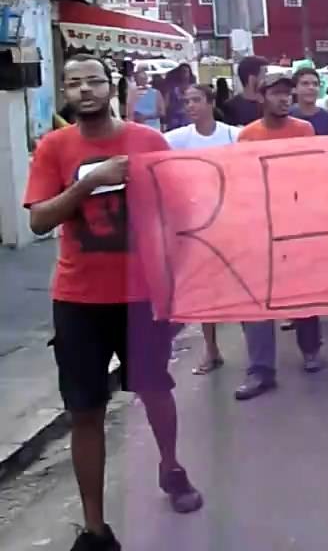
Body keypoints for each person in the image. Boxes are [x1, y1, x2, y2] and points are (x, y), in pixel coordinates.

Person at [25, 54, 203, 551]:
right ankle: (96, 528)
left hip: (140, 297)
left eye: (94, 81)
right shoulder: (54, 147)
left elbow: (181, 213)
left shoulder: (147, 142)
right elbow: (39, 221)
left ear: (112, 86)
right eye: (74, 83)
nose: (85, 90)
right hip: (78, 301)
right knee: (85, 411)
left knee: (155, 391)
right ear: (66, 92)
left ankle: (171, 466)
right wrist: (89, 181)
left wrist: (179, 275)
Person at [233, 71, 326, 401]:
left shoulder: (304, 130)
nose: (285, 98)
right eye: (277, 93)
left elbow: (314, 172)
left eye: (288, 93)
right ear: (262, 97)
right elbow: (240, 182)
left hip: (297, 220)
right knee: (257, 298)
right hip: (259, 223)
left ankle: (311, 347)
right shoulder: (247, 136)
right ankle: (260, 369)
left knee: (302, 289)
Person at [162, 85, 240, 375]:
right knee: (205, 289)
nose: (191, 106)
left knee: (241, 285)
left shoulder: (233, 135)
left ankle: (255, 354)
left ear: (210, 102)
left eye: (196, 100)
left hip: (232, 220)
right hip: (198, 225)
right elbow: (149, 149)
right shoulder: (178, 139)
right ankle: (211, 349)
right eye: (187, 101)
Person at [221, 55, 268, 126]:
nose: (267, 79)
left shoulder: (271, 104)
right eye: (264, 75)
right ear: (252, 79)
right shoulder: (231, 107)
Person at [290, 65, 328, 135]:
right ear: (294, 89)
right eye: (305, 84)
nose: (311, 88)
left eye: (315, 84)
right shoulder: (287, 116)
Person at [162, 63, 194, 130]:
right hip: (174, 121)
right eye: (182, 72)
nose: (184, 74)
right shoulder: (172, 88)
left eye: (186, 71)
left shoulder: (194, 88)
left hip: (189, 120)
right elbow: (165, 105)